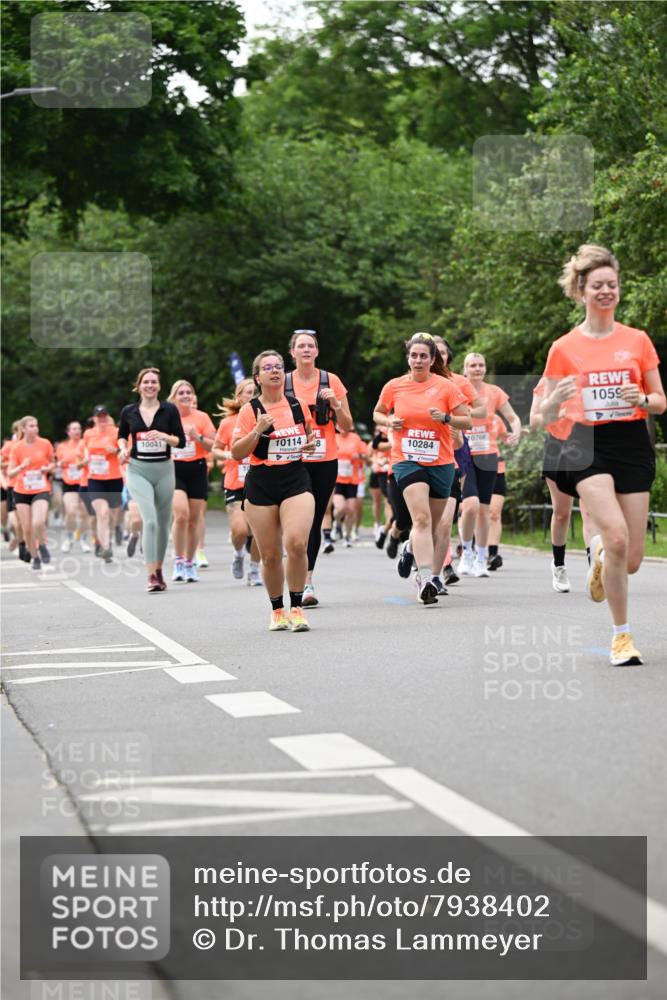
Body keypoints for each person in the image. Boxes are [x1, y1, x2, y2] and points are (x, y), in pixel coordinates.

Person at [541, 244, 665, 665]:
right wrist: (554, 399)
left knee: (630, 559)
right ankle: (621, 637)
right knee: (615, 536)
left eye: (612, 284)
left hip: (630, 441)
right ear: (581, 290)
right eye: (597, 285)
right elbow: (544, 414)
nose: (606, 291)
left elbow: (660, 400)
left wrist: (642, 398)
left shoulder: (637, 340)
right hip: (585, 443)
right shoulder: (563, 347)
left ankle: (600, 558)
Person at [373, 333, 471, 604]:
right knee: (422, 519)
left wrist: (447, 418)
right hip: (406, 459)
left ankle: (410, 548)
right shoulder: (395, 386)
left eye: (423, 356)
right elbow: (377, 412)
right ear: (408, 358)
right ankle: (426, 579)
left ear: (432, 359)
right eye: (413, 356)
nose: (418, 360)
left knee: (433, 525)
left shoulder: (446, 387)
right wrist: (389, 421)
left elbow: (467, 421)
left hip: (441, 462)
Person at [231, 350, 316, 631]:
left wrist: (310, 444)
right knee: (269, 555)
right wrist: (257, 430)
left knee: (297, 543)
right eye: (268, 368)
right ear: (258, 377)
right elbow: (236, 452)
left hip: (295, 479)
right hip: (261, 483)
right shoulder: (250, 410)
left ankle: (297, 608)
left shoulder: (297, 405)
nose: (275, 370)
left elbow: (309, 436)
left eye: (279, 366)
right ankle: (277, 610)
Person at [286, 329, 354, 606]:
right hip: (293, 460)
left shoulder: (331, 380)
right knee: (297, 521)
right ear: (292, 352)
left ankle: (307, 581)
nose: (306, 350)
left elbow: (347, 426)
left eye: (310, 346)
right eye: (301, 346)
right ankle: (295, 566)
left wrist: (336, 404)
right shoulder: (284, 382)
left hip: (325, 461)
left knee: (313, 520)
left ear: (316, 351)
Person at [117, 368, 186, 592]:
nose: (150, 385)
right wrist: (122, 449)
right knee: (150, 521)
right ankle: (150, 575)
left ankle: (159, 569)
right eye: (146, 382)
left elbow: (181, 441)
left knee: (164, 524)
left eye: (153, 382)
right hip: (138, 470)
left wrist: (165, 437)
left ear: (159, 386)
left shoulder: (169, 410)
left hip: (164, 470)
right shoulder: (129, 411)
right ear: (139, 386)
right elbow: (121, 436)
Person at [457, 352, 521, 578]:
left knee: (484, 509)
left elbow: (512, 417)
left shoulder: (494, 392)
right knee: (469, 506)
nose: (477, 369)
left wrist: (516, 430)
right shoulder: (457, 390)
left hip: (488, 456)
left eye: (481, 365)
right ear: (465, 369)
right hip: (464, 455)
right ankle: (466, 552)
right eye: (472, 365)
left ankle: (481, 558)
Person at [213, 378, 262, 586]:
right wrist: (228, 455)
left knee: (260, 530)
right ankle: (238, 554)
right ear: (239, 397)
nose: (252, 396)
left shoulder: (265, 418)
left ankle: (254, 570)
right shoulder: (228, 423)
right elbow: (215, 449)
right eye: (248, 392)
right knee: (240, 530)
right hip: (235, 482)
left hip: (260, 481)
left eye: (255, 392)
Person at [167, 380, 216, 583]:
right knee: (181, 515)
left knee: (194, 521)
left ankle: (189, 562)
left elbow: (214, 446)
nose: (185, 395)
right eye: (181, 393)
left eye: (188, 392)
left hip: (197, 469)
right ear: (174, 396)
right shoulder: (166, 415)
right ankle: (178, 561)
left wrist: (198, 437)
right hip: (173, 469)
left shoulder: (202, 417)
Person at [7, 416, 55, 570]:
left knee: (38, 522)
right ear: (23, 429)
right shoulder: (17, 448)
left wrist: (47, 468)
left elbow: (53, 463)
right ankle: (35, 557)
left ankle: (42, 545)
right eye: (31, 426)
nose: (35, 428)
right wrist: (22, 466)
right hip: (22, 490)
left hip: (41, 488)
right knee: (27, 528)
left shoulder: (45, 443)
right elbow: (10, 473)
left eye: (36, 425)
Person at [83, 406, 123, 564]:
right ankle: (105, 547)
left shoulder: (116, 432)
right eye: (99, 416)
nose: (102, 418)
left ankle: (107, 540)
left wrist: (115, 451)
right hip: (95, 479)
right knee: (103, 513)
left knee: (112, 516)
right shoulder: (88, 434)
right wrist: (86, 458)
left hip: (114, 478)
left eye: (104, 415)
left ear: (108, 417)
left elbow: (124, 452)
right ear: (94, 418)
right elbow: (86, 450)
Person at [55, 421, 87, 553]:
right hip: (69, 483)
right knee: (71, 511)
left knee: (85, 513)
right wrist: (60, 463)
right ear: (68, 432)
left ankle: (83, 540)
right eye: (74, 429)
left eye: (79, 428)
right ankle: (69, 539)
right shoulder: (62, 446)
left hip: (85, 482)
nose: (77, 431)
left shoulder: (86, 443)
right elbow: (58, 463)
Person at [332, 426, 367, 547]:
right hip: (338, 479)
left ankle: (346, 536)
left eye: (345, 425)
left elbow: (365, 456)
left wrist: (359, 456)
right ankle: (336, 523)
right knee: (340, 508)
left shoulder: (355, 438)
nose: (343, 428)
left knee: (351, 510)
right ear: (337, 426)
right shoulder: (334, 437)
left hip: (352, 480)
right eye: (340, 425)